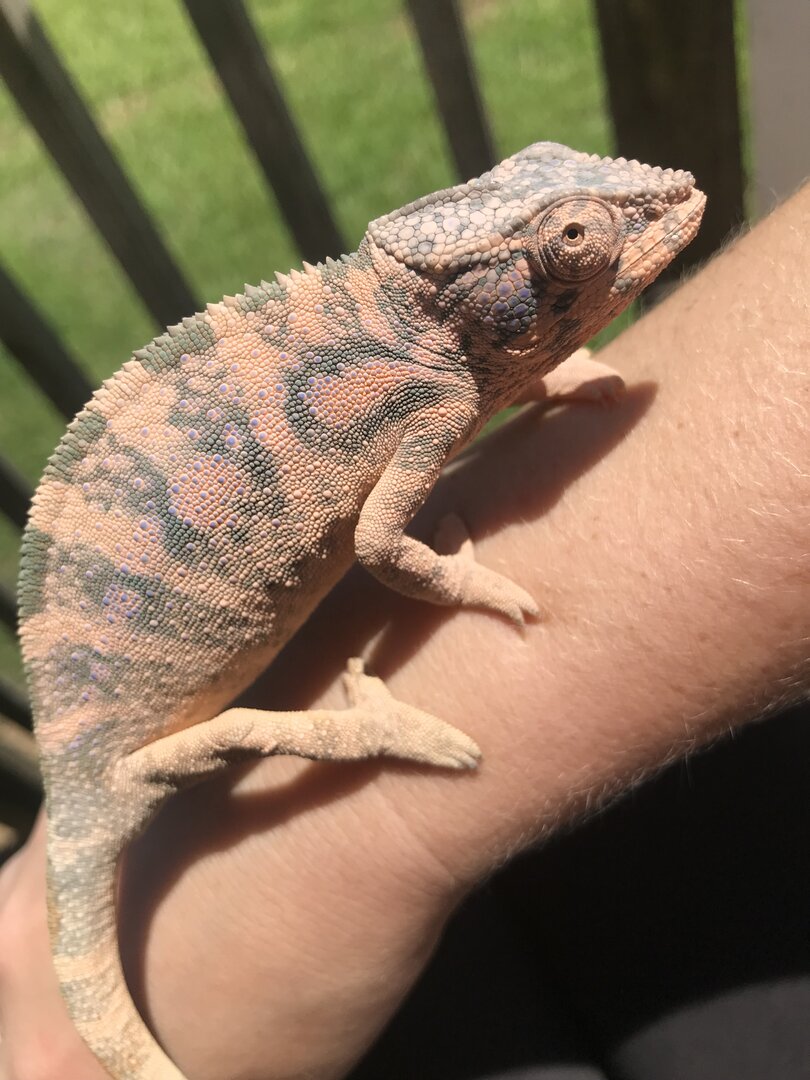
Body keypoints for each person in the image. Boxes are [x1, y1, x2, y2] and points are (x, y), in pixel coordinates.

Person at [0, 184, 806, 1080]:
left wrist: (539, 372)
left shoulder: (430, 354)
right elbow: (382, 545)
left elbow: (456, 396)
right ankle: (355, 734)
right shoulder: (430, 380)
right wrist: (459, 585)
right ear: (481, 302)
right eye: (577, 242)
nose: (642, 230)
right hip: (119, 740)